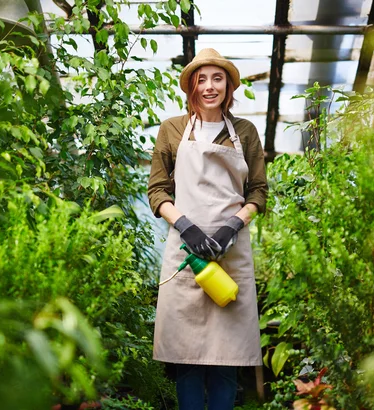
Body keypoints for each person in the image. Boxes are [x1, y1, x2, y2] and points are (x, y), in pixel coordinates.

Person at [147, 48, 268, 410]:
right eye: (202, 79)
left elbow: (258, 191)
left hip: (231, 253)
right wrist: (187, 228)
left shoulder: (244, 132)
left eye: (217, 79)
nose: (210, 86)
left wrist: (233, 225)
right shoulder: (172, 130)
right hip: (187, 255)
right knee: (186, 359)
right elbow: (157, 190)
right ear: (192, 87)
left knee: (226, 358)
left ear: (228, 86)